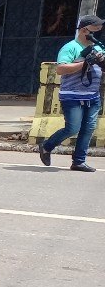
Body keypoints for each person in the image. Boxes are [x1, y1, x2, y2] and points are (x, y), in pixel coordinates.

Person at [39, 14, 103, 172]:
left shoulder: (98, 47)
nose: (98, 35)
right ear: (83, 30)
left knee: (88, 129)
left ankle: (79, 161)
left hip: (92, 96)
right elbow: (61, 69)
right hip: (72, 95)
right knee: (73, 128)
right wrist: (85, 63)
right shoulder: (70, 47)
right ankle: (46, 146)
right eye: (95, 31)